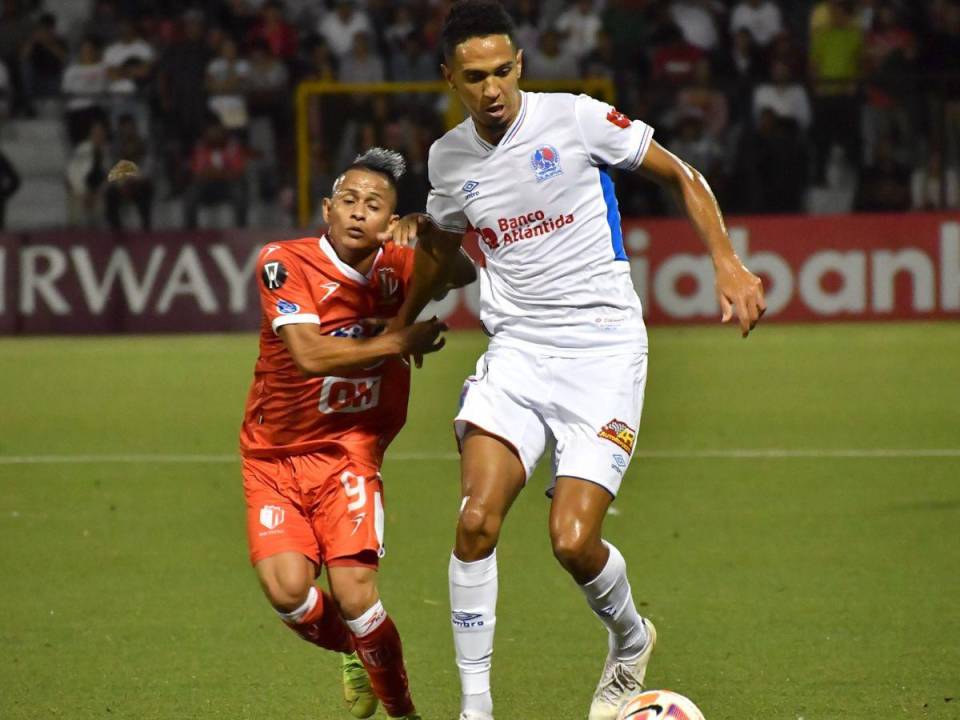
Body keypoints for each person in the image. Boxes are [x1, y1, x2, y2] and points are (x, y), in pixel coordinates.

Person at [379, 2, 766, 719]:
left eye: (502, 71)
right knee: (475, 521)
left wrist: (728, 262)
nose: (491, 89)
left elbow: (680, 173)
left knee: (572, 540)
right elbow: (440, 247)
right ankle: (475, 711)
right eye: (474, 77)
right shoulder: (448, 158)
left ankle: (629, 638)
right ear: (449, 79)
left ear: (519, 65)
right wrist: (400, 328)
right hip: (519, 351)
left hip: (603, 351)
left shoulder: (576, 119)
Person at [239, 148, 476, 720]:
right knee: (289, 594)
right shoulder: (283, 261)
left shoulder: (398, 265)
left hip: (350, 452)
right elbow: (308, 353)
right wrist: (399, 342)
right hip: (271, 458)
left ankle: (403, 713)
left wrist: (430, 235)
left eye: (374, 206)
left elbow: (462, 271)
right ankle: (360, 655)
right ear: (327, 208)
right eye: (348, 201)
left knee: (356, 597)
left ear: (388, 221)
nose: (357, 213)